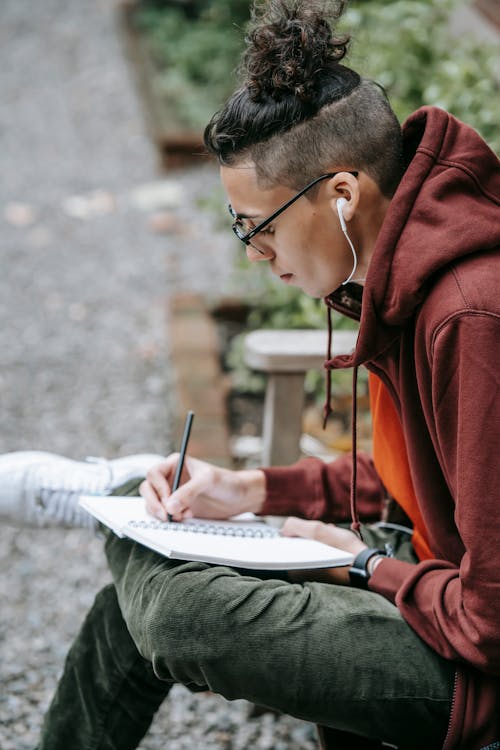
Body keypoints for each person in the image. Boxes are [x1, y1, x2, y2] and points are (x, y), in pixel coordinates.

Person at [3, 0, 498, 747]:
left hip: (473, 669)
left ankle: (115, 492)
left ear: (342, 193)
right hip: (430, 580)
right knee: (132, 606)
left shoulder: (470, 316)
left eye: (258, 228)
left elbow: (491, 622)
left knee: (174, 615)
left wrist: (362, 566)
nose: (253, 255)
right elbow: (437, 473)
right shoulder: (400, 279)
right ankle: (124, 500)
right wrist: (256, 490)